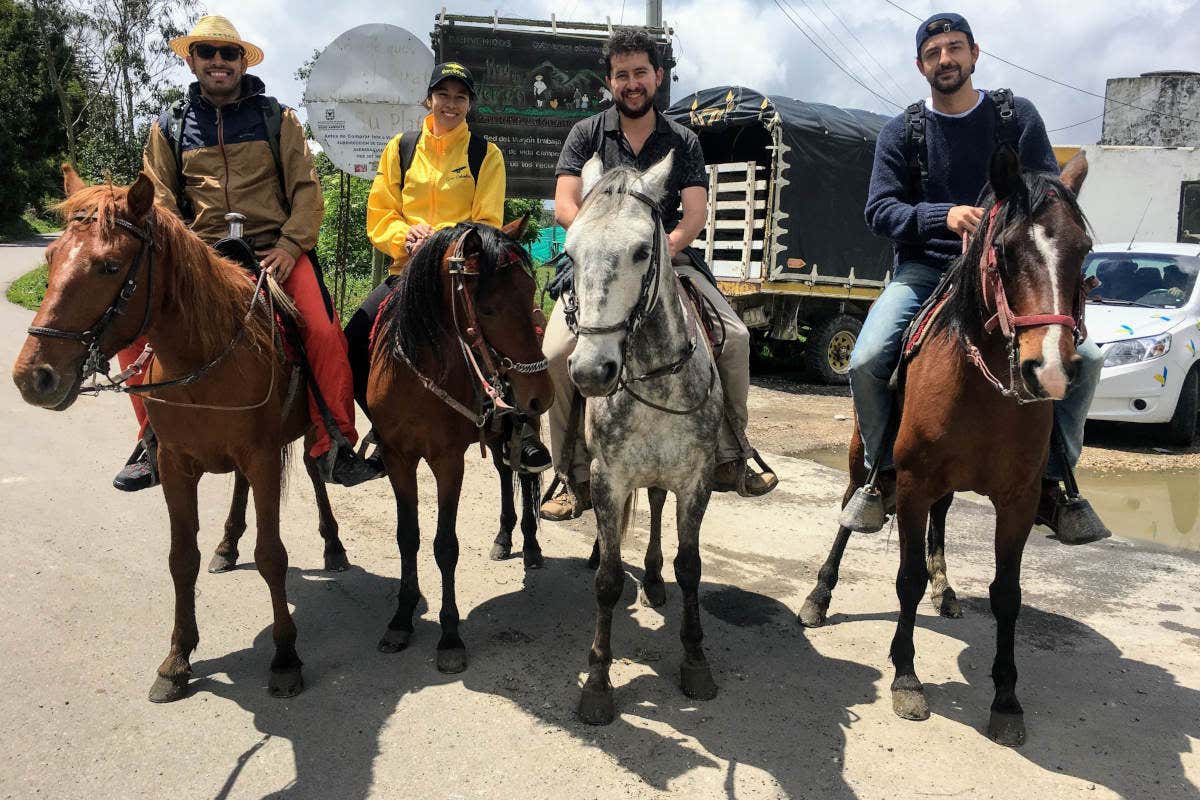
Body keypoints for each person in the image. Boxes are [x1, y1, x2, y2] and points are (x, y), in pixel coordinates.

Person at [845, 12, 1107, 540]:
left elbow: (1044, 195)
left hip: (1007, 271)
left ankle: (1054, 483)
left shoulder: (1016, 117)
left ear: (974, 53)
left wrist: (997, 227)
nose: (946, 59)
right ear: (921, 66)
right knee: (868, 357)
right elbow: (879, 210)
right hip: (927, 266)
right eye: (934, 52)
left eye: (955, 48)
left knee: (1091, 360)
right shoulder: (903, 132)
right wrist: (939, 216)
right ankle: (880, 474)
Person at [111, 15, 375, 491]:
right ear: (192, 60)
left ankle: (334, 442)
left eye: (228, 53)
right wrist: (190, 255)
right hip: (200, 256)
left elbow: (307, 193)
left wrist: (292, 246)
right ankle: (152, 439)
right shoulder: (168, 127)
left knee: (322, 332)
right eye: (208, 52)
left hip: (275, 250)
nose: (218, 61)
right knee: (132, 330)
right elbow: (162, 205)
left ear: (241, 62)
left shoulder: (278, 118)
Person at [539, 27, 778, 522]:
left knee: (734, 339)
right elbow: (565, 202)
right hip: (599, 263)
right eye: (622, 74)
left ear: (658, 77)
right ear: (610, 81)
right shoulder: (586, 134)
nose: (632, 83)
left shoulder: (683, 139)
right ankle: (569, 472)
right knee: (557, 351)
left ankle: (732, 453)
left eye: (640, 73)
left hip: (670, 259)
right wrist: (605, 236)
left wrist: (662, 249)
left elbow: (694, 212)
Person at [347, 62, 552, 472]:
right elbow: (381, 213)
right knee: (351, 342)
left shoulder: (484, 154)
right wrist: (404, 237)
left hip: (467, 275)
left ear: (469, 105)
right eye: (443, 95)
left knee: (511, 335)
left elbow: (487, 223)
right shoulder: (401, 148)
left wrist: (438, 243)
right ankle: (375, 434)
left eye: (460, 97)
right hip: (405, 275)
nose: (451, 104)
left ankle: (518, 430)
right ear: (429, 99)